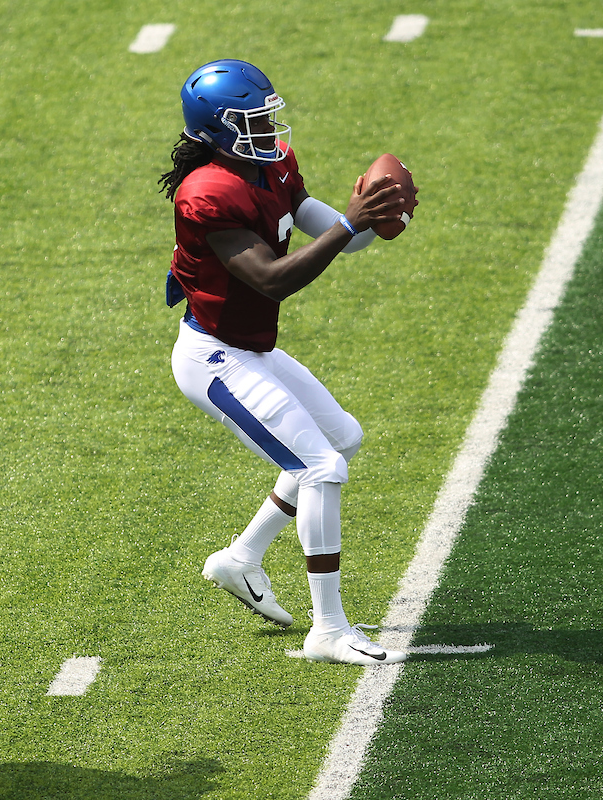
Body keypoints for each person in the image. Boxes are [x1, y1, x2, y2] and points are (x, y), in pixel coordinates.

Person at [160, 59, 415, 665]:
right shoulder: (207, 194)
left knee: (341, 440)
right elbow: (271, 280)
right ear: (216, 131)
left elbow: (339, 235)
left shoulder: (271, 164)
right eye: (252, 121)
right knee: (321, 467)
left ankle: (240, 559)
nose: (269, 130)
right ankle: (328, 630)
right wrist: (351, 223)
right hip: (213, 359)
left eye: (268, 116)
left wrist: (372, 219)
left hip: (249, 349)